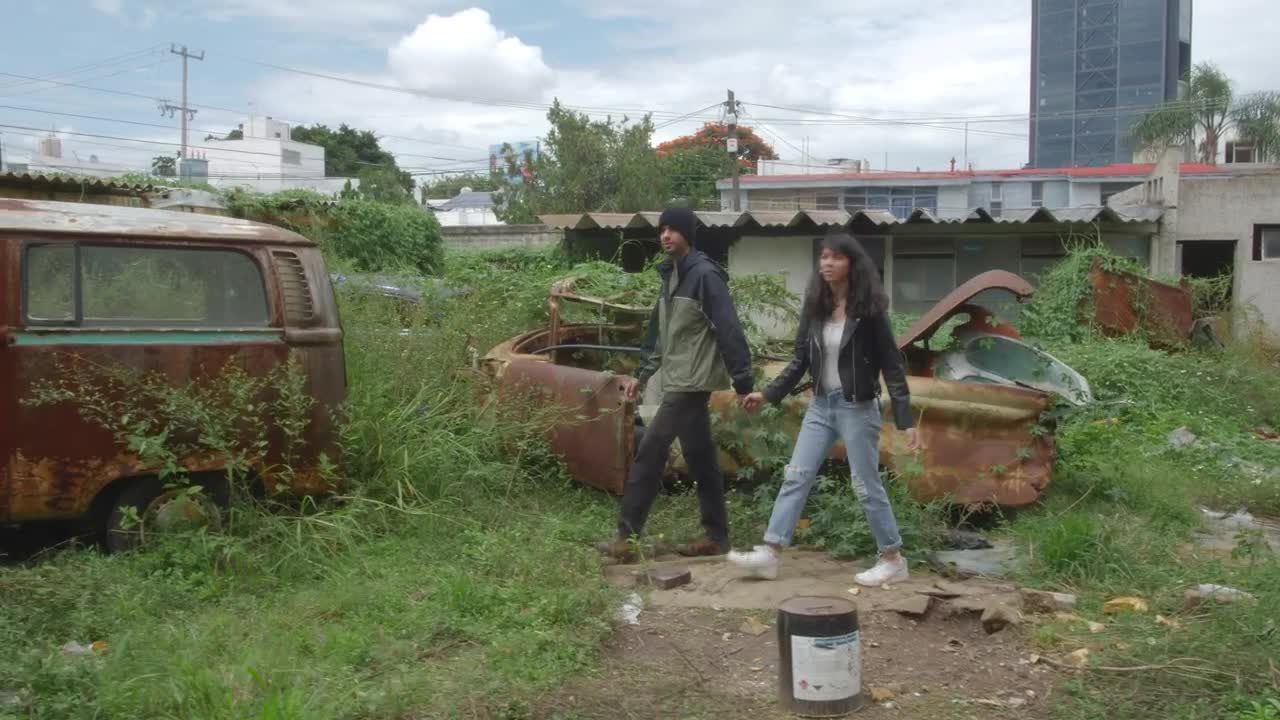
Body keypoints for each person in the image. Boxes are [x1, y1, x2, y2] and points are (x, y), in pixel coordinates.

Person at [729, 231, 922, 586]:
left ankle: (893, 559)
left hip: (857, 407)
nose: (827, 263)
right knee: (796, 475)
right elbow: (800, 360)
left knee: (866, 485)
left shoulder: (870, 311)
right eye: (823, 257)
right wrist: (768, 394)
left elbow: (892, 364)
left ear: (852, 264)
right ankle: (770, 554)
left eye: (836, 257)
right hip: (820, 406)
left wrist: (905, 419)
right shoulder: (815, 307)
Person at [596, 207, 754, 562]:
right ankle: (716, 536)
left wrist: (743, 381)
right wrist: (643, 375)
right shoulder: (670, 275)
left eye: (673, 229)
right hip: (678, 378)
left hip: (691, 381)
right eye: (662, 229)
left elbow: (729, 328)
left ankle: (626, 537)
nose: (666, 235)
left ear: (688, 235)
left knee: (651, 449)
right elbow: (660, 334)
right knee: (701, 457)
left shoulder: (704, 276)